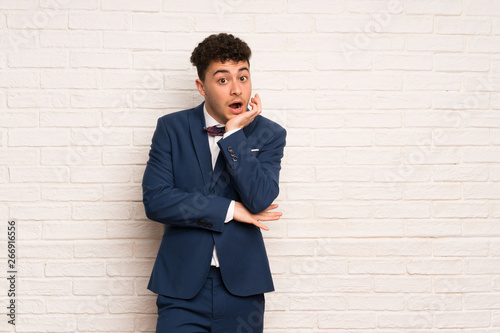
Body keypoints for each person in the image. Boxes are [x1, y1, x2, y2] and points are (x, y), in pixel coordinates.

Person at [142, 33, 287, 332]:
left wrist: (233, 137)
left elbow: (260, 198)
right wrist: (231, 209)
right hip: (180, 287)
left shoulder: (270, 134)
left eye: (243, 78)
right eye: (223, 80)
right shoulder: (171, 128)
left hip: (242, 290)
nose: (236, 89)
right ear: (201, 86)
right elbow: (157, 200)